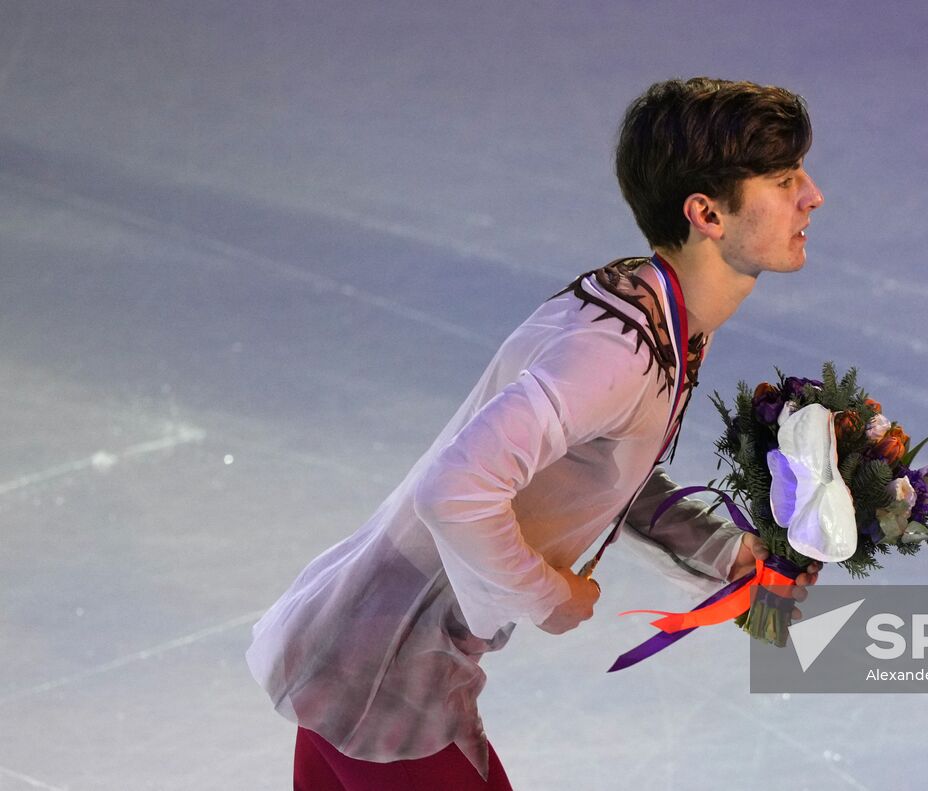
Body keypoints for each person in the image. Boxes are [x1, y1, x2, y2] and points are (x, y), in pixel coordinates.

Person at [246, 76, 825, 790]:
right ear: (706, 212)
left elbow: (610, 466)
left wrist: (725, 550)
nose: (811, 195)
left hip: (367, 654)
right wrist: (548, 596)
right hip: (386, 679)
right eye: (784, 178)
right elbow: (455, 489)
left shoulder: (646, 308)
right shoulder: (617, 353)